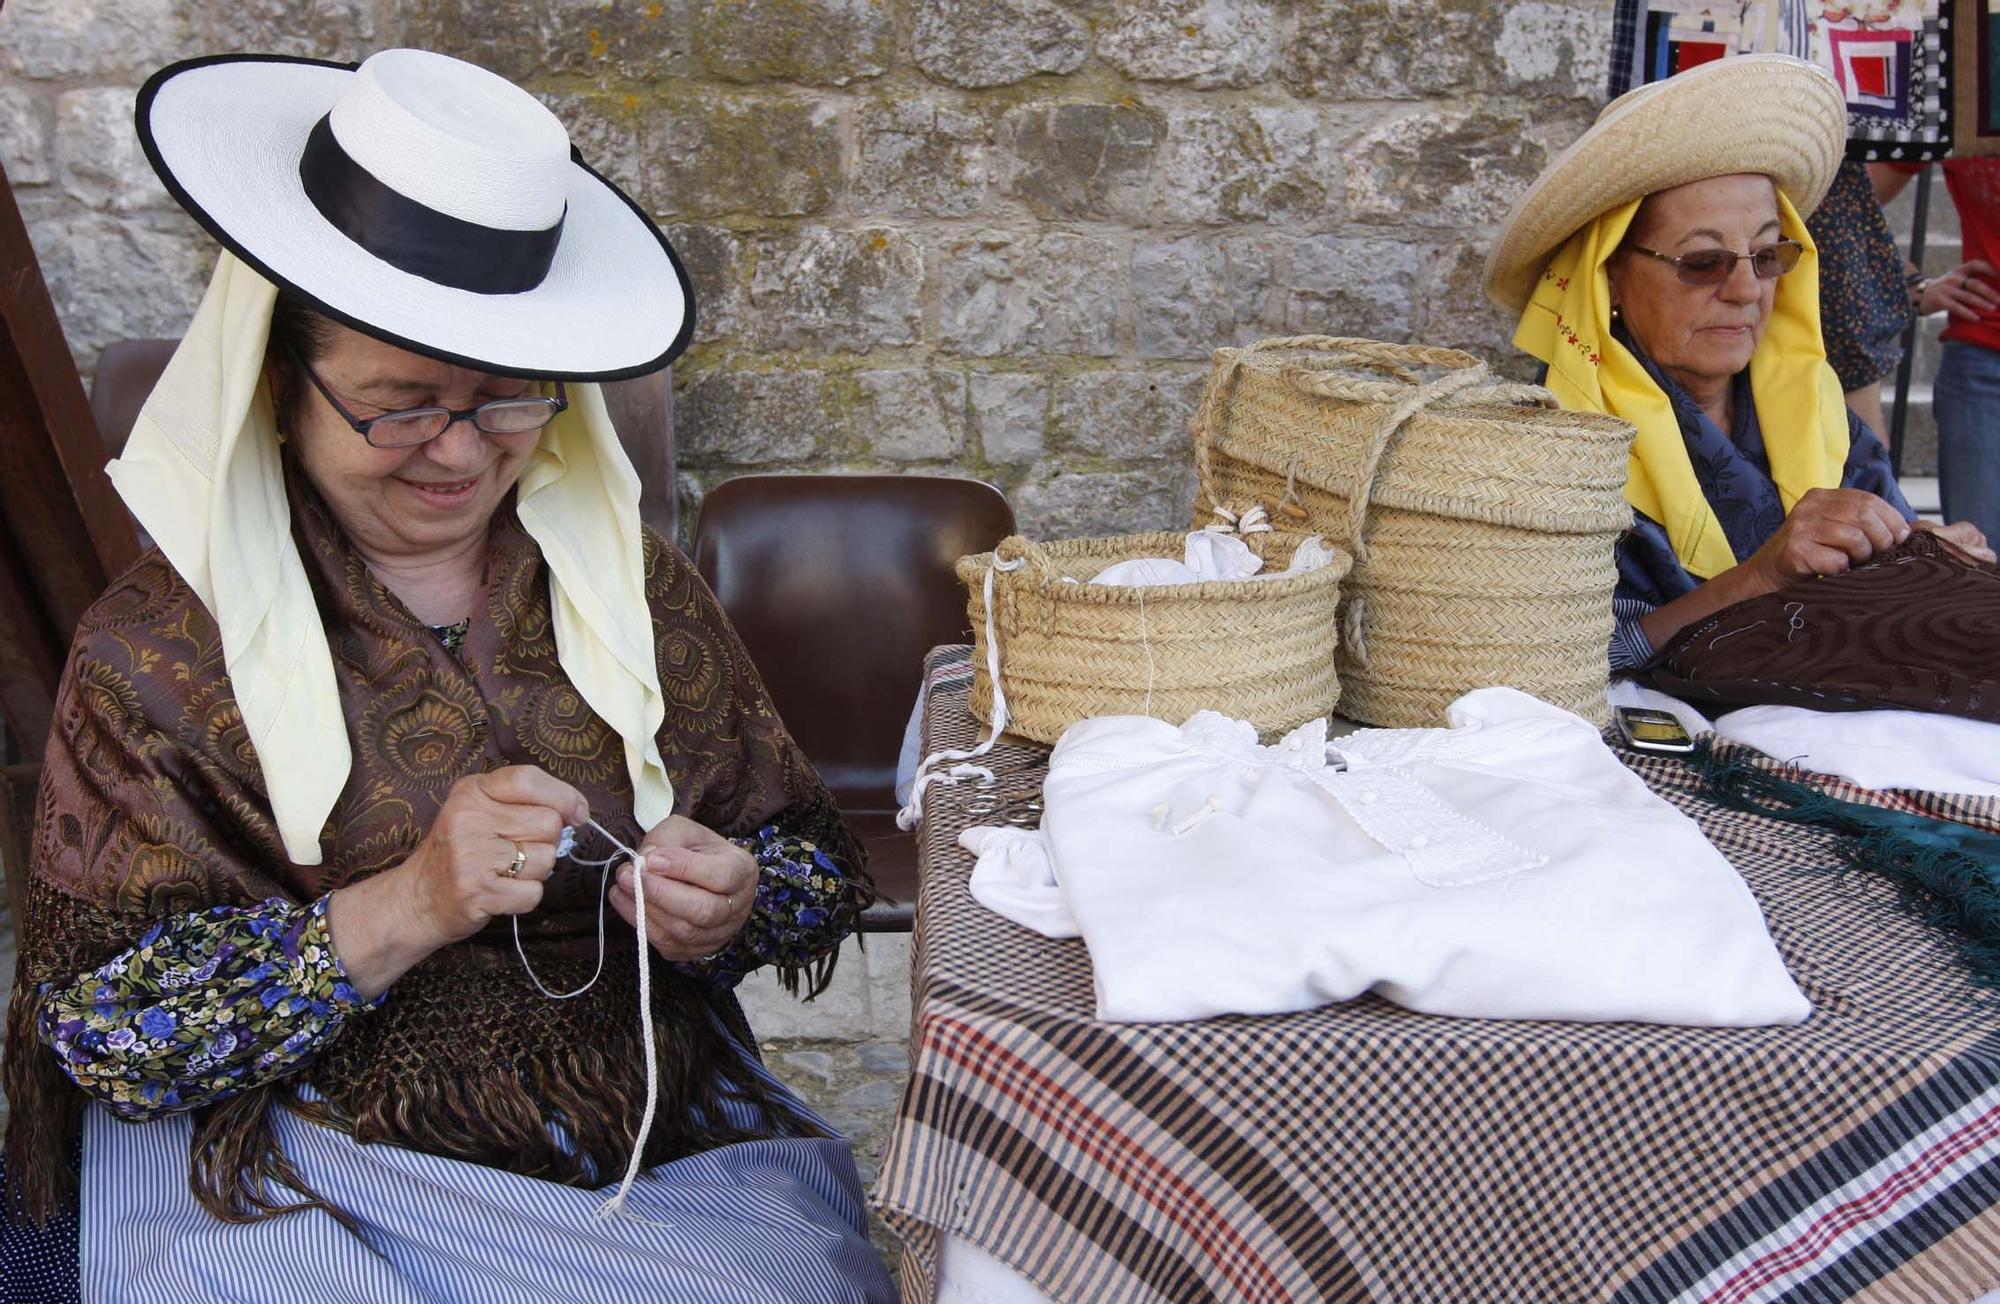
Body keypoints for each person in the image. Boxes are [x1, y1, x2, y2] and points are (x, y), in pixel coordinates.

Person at [1, 48, 894, 1302]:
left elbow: (806, 859)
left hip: (638, 1137)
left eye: (507, 400)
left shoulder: (622, 585)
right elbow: (108, 1032)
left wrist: (735, 901)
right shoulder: (152, 650)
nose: (460, 451)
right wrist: (404, 907)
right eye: (401, 404)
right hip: (285, 1155)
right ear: (277, 385)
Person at [1484, 54, 1993, 672]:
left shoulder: (1821, 421)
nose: (1747, 291)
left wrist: (1922, 556)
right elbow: (1565, 657)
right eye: (1703, 262)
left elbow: (1873, 585)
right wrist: (1760, 577)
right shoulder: (1550, 455)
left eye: (1766, 255)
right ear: (1608, 278)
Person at [1877, 160, 2000, 546]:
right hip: (1984, 362)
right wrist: (1910, 283)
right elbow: (1839, 199)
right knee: (1976, 566)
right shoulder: (1969, 104)